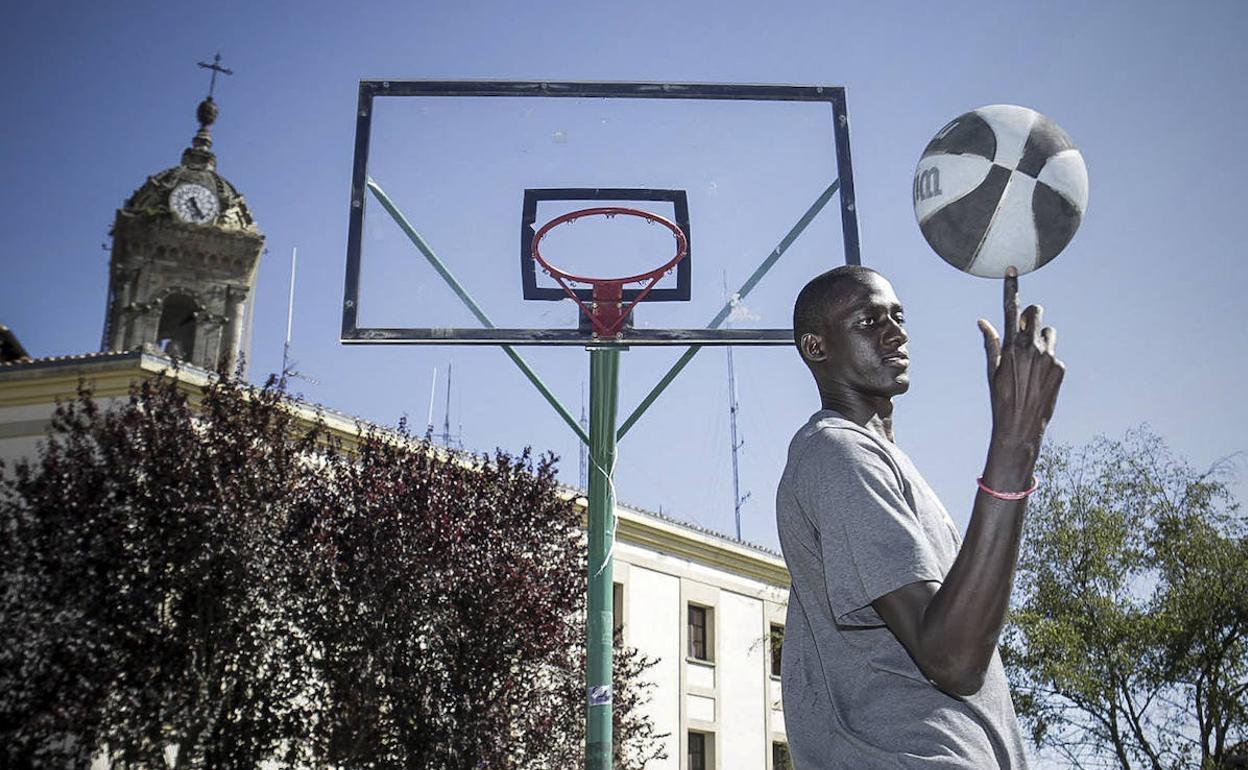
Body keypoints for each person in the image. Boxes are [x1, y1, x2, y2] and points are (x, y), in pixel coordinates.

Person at [776, 264, 1063, 768]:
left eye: (898, 316)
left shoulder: (880, 460)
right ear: (816, 347)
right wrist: (1015, 442)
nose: (896, 332)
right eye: (869, 321)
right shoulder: (837, 453)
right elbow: (952, 660)